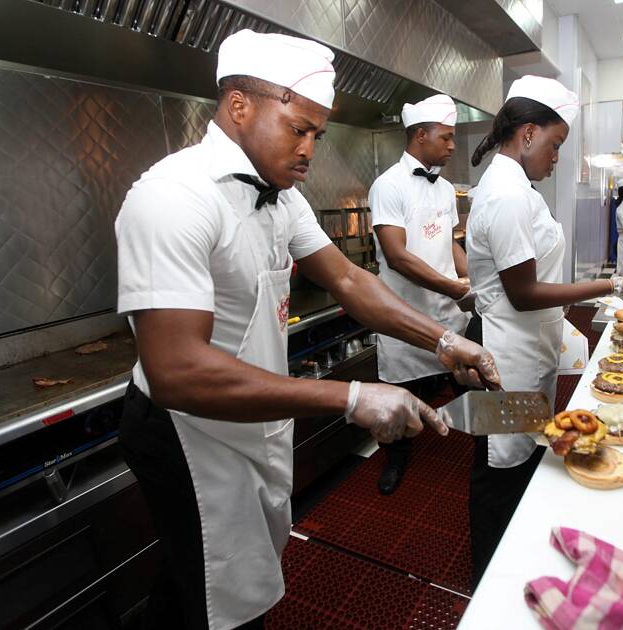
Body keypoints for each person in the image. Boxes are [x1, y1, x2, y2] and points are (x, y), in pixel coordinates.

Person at [114, 30, 501, 630]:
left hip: (249, 414)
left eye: (317, 134)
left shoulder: (282, 195)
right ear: (239, 104)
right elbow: (176, 372)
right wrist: (351, 396)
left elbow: (347, 280)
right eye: (299, 128)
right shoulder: (173, 196)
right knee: (224, 593)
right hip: (187, 431)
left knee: (205, 577)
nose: (310, 149)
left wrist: (444, 342)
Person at [465, 75, 623, 586]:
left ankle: (512, 561)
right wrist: (610, 285)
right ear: (528, 134)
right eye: (555, 145)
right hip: (505, 355)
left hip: (528, 348)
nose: (557, 158)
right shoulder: (506, 194)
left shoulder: (517, 188)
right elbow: (524, 293)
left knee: (523, 457)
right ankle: (489, 582)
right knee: (498, 470)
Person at [369, 94, 472, 495]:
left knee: (471, 378)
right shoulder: (388, 186)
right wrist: (454, 287)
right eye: (445, 138)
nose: (451, 146)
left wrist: (473, 281)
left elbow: (451, 244)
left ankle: (493, 446)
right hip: (403, 316)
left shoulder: (446, 189)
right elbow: (397, 257)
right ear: (420, 135)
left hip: (448, 312)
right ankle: (394, 460)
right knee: (399, 399)